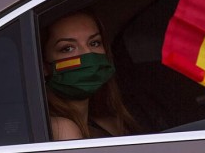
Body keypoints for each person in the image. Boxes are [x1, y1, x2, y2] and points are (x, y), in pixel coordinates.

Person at [42, 10, 137, 140]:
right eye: (68, 48)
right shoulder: (62, 128)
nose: (88, 54)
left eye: (94, 43)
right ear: (43, 66)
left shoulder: (108, 123)